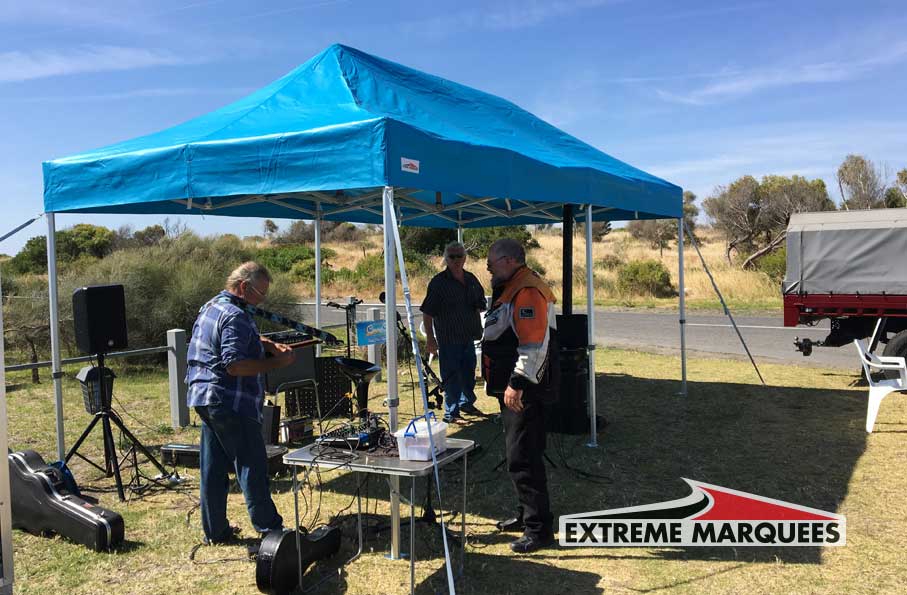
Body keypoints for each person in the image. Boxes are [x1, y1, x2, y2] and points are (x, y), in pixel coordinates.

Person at [186, 261, 297, 545]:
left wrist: (267, 344)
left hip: (204, 397)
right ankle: (271, 531)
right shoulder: (235, 315)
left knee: (213, 466)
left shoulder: (212, 305)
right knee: (252, 463)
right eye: (260, 295)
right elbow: (234, 365)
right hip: (229, 399)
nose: (262, 301)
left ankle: (216, 530)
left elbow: (234, 339)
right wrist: (276, 362)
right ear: (244, 287)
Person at [482, 238, 559, 554]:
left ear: (509, 260)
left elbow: (533, 345)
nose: (487, 268)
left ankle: (538, 530)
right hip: (513, 390)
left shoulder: (527, 289)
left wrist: (517, 383)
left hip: (523, 391)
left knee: (523, 457)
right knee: (520, 454)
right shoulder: (512, 286)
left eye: (491, 262)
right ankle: (525, 515)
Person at [421, 241, 487, 424]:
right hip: (449, 338)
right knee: (451, 376)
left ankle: (467, 403)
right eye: (452, 257)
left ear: (465, 258)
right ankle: (451, 413)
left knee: (468, 373)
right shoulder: (439, 283)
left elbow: (481, 303)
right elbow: (427, 312)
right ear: (446, 259)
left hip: (469, 336)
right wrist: (430, 339)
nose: (456, 260)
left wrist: (477, 307)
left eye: (460, 256)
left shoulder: (471, 279)